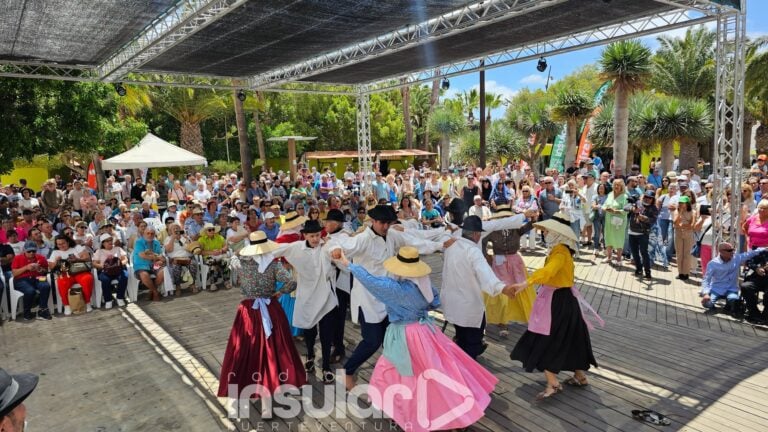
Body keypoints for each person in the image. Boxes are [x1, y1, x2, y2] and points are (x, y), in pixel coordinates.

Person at [336, 246, 500, 432]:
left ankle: (408, 414)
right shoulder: (424, 285)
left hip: (405, 334)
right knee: (437, 372)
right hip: (426, 331)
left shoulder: (395, 289)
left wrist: (347, 263)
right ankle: (449, 412)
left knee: (403, 375)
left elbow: (369, 281)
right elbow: (435, 300)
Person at [327, 204, 453, 391]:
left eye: (388, 223)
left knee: (395, 340)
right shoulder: (363, 239)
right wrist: (336, 249)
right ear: (373, 222)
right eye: (382, 223)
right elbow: (338, 244)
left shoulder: (393, 235)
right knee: (372, 340)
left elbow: (413, 242)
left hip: (391, 298)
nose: (385, 227)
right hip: (369, 298)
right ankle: (348, 370)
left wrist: (440, 245)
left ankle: (395, 381)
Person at [509, 211, 603, 400]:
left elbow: (549, 271)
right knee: (572, 337)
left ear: (558, 233)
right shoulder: (562, 249)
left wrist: (526, 283)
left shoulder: (560, 251)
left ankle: (553, 382)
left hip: (557, 302)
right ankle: (579, 375)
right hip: (565, 299)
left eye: (548, 231)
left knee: (545, 339)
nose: (545, 233)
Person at [217, 231, 307, 405]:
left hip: (248, 311)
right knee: (273, 350)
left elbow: (235, 282)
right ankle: (272, 390)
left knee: (246, 350)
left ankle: (248, 389)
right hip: (270, 308)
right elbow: (291, 282)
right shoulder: (274, 265)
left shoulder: (241, 264)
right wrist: (279, 293)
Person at [272, 220, 339, 384]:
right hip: (307, 296)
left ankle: (325, 367)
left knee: (326, 333)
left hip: (326, 297)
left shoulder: (327, 247)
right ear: (305, 235)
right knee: (309, 331)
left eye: (317, 235)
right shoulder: (296, 247)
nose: (315, 239)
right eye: (312, 236)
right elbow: (274, 250)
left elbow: (343, 250)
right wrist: (255, 251)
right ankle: (309, 354)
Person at [480, 206, 537, 338]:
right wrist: (486, 256)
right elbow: (481, 241)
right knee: (501, 292)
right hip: (499, 263)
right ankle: (502, 322)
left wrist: (533, 218)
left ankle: (527, 316)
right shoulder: (493, 230)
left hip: (515, 262)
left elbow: (529, 226)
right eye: (502, 217)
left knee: (521, 289)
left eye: (507, 217)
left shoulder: (516, 228)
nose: (505, 219)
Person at [702, 243, 767, 314]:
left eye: (733, 250)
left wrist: (764, 248)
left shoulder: (736, 258)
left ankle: (730, 304)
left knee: (736, 304)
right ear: (721, 251)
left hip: (731, 289)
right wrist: (705, 293)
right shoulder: (713, 263)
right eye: (729, 250)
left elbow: (750, 253)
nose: (732, 252)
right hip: (717, 289)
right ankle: (721, 303)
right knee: (707, 304)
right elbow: (706, 279)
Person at [48, 234, 94, 316]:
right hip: (65, 273)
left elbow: (87, 258)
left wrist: (77, 259)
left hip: (79, 271)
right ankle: (66, 305)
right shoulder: (55, 252)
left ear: (68, 242)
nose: (61, 246)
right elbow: (51, 267)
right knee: (62, 282)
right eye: (59, 244)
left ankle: (87, 302)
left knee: (88, 279)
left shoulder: (76, 248)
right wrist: (56, 261)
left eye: (63, 243)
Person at [10, 241, 52, 320]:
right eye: (29, 251)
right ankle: (27, 312)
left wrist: (40, 269)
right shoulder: (17, 258)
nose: (32, 253)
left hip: (38, 277)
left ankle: (42, 310)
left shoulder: (41, 257)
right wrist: (26, 267)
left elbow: (46, 270)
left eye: (34, 251)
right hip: (21, 279)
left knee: (45, 286)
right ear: (24, 250)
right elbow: (14, 273)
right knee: (30, 291)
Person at [627, 191, 659, 279]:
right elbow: (626, 207)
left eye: (650, 198)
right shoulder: (637, 202)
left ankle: (647, 271)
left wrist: (644, 218)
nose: (647, 199)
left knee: (644, 252)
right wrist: (632, 209)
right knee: (634, 252)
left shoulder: (654, 208)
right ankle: (639, 268)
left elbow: (653, 220)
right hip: (632, 232)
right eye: (646, 197)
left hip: (643, 233)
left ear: (653, 199)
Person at [92, 233, 128, 308]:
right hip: (105, 271)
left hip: (118, 269)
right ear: (103, 243)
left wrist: (120, 264)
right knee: (105, 280)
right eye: (107, 241)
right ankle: (108, 300)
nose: (110, 242)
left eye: (111, 240)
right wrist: (103, 266)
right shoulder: (99, 251)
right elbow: (94, 263)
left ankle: (120, 297)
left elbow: (125, 259)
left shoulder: (118, 248)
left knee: (124, 276)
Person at [163, 223, 199, 295]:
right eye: (174, 229)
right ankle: (178, 286)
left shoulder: (184, 237)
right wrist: (173, 238)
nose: (176, 229)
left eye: (177, 228)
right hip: (175, 259)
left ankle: (192, 284)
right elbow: (168, 250)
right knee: (175, 267)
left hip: (187, 258)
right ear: (170, 231)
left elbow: (192, 248)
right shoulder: (168, 239)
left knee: (193, 264)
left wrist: (186, 238)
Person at [132, 226, 165, 301]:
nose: (150, 235)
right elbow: (142, 255)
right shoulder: (139, 242)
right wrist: (156, 258)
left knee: (162, 272)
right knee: (144, 275)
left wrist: (159, 260)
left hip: (154, 265)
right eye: (148, 233)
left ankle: (152, 291)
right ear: (144, 233)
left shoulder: (156, 242)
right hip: (141, 265)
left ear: (154, 235)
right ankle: (155, 292)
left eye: (152, 234)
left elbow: (160, 255)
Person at [602, 179, 628, 266]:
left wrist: (615, 211)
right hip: (609, 219)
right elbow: (604, 205)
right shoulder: (610, 194)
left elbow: (626, 210)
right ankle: (609, 257)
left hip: (619, 221)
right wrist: (605, 208)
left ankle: (619, 259)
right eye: (615, 185)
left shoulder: (625, 196)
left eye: (618, 185)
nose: (616, 186)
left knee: (618, 238)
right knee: (608, 236)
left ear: (622, 186)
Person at [673, 195, 696, 280]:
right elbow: (675, 222)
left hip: (688, 234)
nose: (681, 204)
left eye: (683, 203)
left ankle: (686, 273)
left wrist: (683, 226)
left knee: (687, 254)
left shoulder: (693, 212)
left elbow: (692, 225)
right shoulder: (677, 211)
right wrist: (680, 213)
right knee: (679, 254)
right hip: (678, 233)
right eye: (680, 203)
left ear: (687, 204)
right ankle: (680, 273)